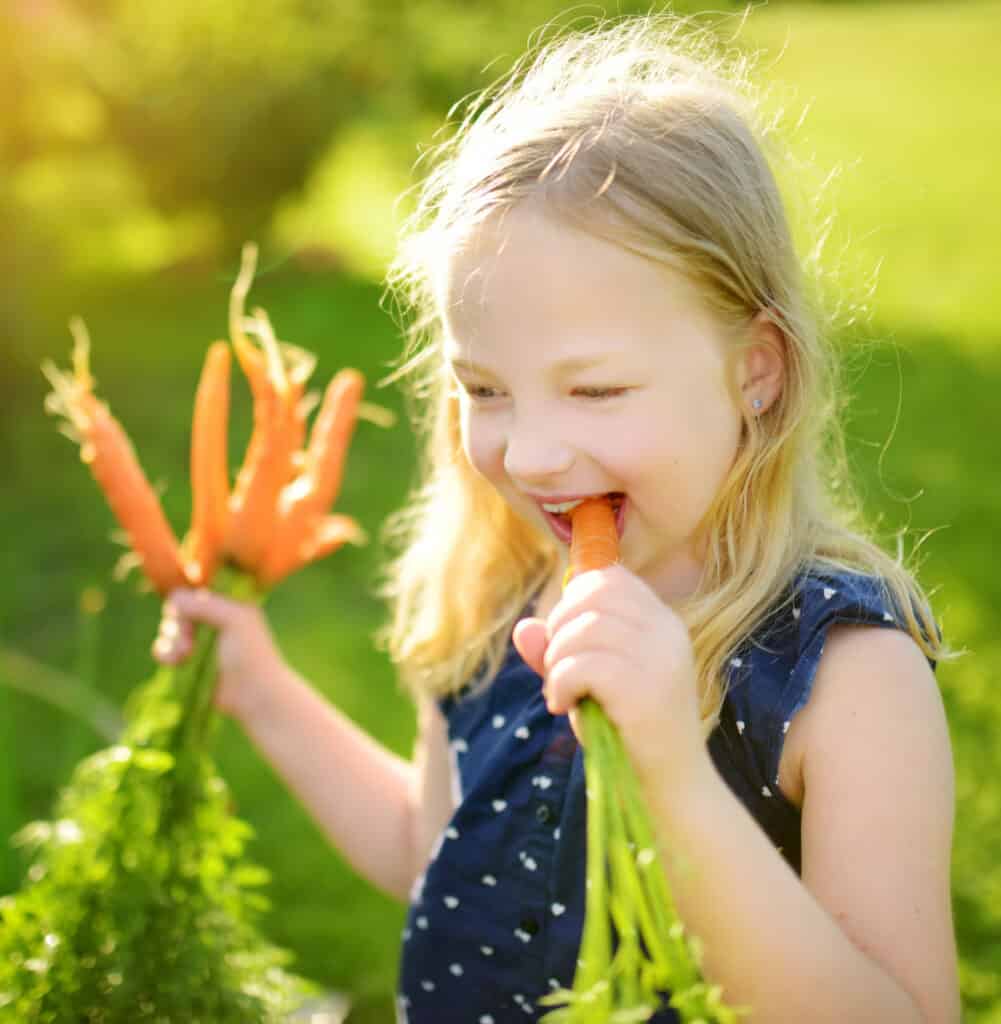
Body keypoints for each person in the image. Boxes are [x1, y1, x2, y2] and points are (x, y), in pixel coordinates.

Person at [154, 11, 962, 1023]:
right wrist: (264, 692)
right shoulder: (499, 601)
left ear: (753, 371)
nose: (528, 454)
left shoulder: (838, 674)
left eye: (593, 393)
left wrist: (669, 763)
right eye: (484, 389)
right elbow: (435, 854)